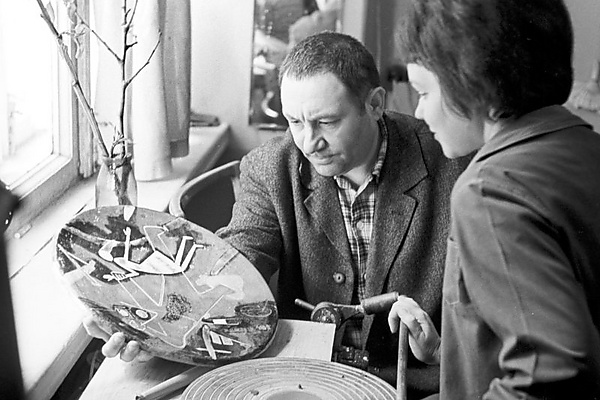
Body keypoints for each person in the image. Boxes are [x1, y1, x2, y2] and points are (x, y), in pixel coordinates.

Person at [84, 31, 470, 398]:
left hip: (418, 384)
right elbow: (233, 266)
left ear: (374, 104)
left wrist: (440, 352)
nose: (309, 142)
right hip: (302, 381)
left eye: (326, 122)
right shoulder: (270, 168)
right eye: (295, 121)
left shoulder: (453, 164)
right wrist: (154, 329)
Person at [387, 0, 600, 398]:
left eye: (423, 92)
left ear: (471, 85)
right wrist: (445, 353)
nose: (419, 111)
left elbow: (552, 371)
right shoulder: (584, 147)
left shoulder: (488, 190)